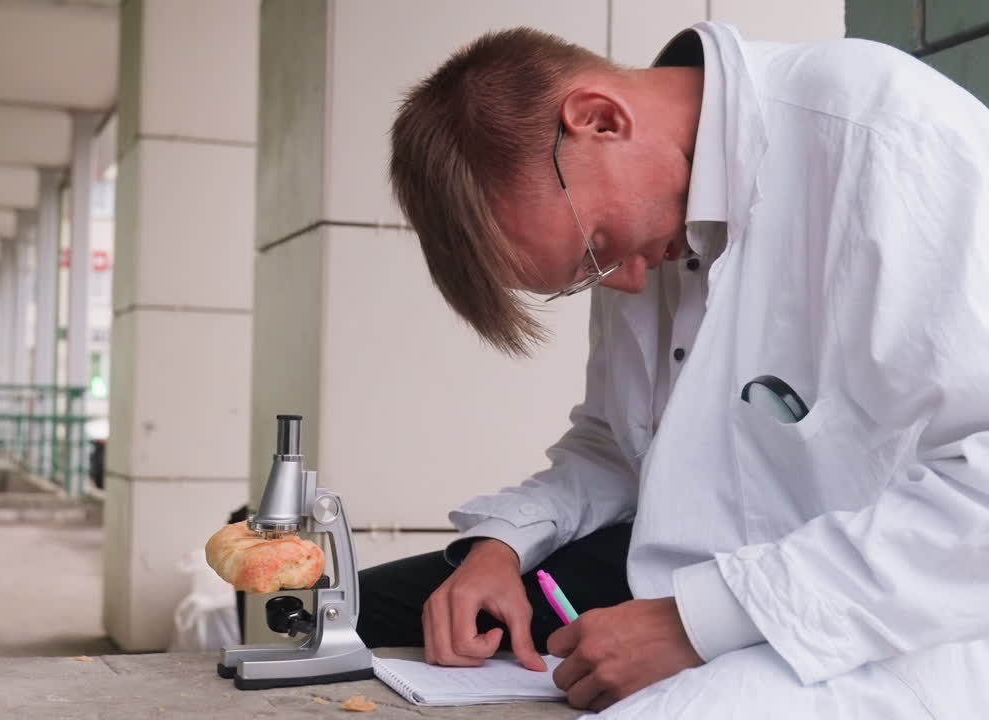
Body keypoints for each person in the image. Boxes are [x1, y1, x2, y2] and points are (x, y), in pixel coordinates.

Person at [358, 21, 989, 718]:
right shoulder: (648, 226)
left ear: (600, 120)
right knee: (355, 616)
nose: (622, 284)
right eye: (585, 274)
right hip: (686, 575)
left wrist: (694, 623)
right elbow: (616, 444)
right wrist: (501, 547)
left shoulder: (886, 138)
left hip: (888, 618)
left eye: (596, 248)